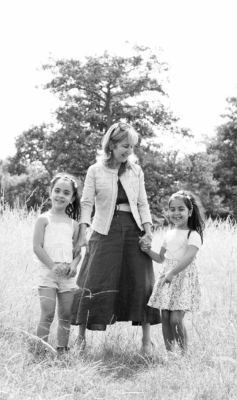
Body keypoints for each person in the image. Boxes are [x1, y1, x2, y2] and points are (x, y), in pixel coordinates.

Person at [72, 121, 161, 353]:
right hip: (104, 231)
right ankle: (80, 339)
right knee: (94, 281)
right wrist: (83, 232)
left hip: (134, 232)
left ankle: (145, 342)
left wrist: (149, 232)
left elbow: (143, 203)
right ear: (111, 145)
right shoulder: (95, 170)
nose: (129, 151)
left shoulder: (136, 171)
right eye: (124, 145)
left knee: (140, 283)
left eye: (131, 147)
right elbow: (87, 203)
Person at [141, 190, 205, 352]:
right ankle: (170, 353)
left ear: (190, 212)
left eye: (181, 209)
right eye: (173, 209)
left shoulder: (193, 234)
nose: (176, 213)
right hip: (167, 280)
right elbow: (161, 258)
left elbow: (188, 258)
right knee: (166, 317)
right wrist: (147, 250)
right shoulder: (169, 234)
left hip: (182, 279)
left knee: (176, 319)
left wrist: (172, 273)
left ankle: (184, 353)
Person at [33, 173, 82, 354]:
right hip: (47, 272)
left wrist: (74, 265)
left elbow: (78, 253)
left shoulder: (74, 225)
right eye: (57, 191)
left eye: (66, 193)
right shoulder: (43, 219)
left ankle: (62, 350)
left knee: (66, 315)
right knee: (47, 313)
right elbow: (37, 247)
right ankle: (40, 350)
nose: (61, 195)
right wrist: (53, 265)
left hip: (67, 276)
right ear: (51, 192)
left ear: (72, 198)